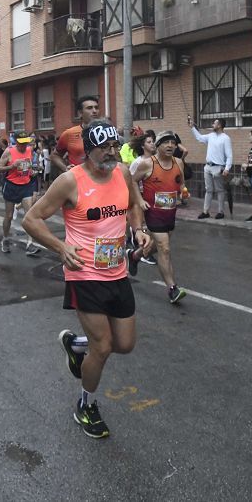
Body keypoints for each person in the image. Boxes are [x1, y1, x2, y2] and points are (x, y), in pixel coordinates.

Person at [21, 119, 153, 439]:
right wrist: (60, 246)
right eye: (105, 148)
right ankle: (86, 404)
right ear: (88, 151)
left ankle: (76, 345)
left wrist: (139, 229)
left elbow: (134, 205)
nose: (112, 153)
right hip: (85, 273)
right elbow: (31, 219)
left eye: (115, 146)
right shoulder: (70, 181)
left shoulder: (122, 172)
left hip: (117, 272)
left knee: (125, 344)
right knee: (104, 347)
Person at [130, 130, 186, 303]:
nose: (170, 146)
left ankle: (134, 256)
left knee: (156, 246)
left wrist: (181, 193)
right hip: (153, 211)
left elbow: (180, 181)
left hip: (170, 211)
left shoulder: (178, 162)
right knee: (165, 248)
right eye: (166, 142)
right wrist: (139, 200)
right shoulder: (147, 164)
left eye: (173, 143)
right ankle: (172, 288)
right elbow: (132, 181)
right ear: (158, 145)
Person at [0, 131, 41, 255]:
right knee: (9, 216)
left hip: (26, 185)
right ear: (16, 141)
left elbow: (30, 167)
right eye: (21, 143)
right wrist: (11, 167)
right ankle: (5, 239)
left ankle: (29, 244)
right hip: (11, 185)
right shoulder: (9, 151)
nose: (24, 146)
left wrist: (32, 171)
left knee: (29, 215)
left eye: (25, 142)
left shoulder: (30, 150)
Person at [186, 114, 232, 219]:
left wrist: (227, 168)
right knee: (209, 190)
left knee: (220, 190)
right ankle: (205, 211)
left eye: (214, 123)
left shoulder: (226, 138)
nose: (212, 125)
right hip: (208, 167)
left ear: (219, 125)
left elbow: (229, 156)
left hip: (218, 167)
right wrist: (192, 127)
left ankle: (221, 212)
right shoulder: (211, 136)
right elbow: (199, 138)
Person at [52, 95, 101, 173]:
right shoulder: (69, 133)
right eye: (89, 108)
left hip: (102, 179)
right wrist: (65, 168)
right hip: (78, 180)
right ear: (80, 113)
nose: (94, 111)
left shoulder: (106, 132)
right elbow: (55, 155)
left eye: (96, 107)